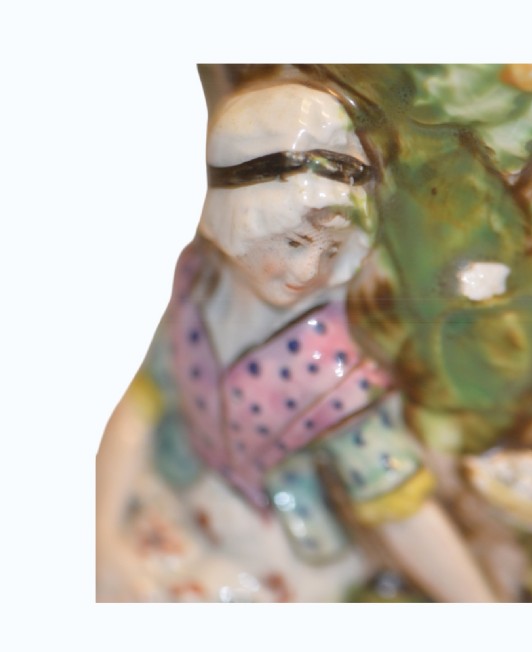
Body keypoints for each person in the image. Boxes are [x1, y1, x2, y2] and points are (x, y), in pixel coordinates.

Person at [97, 79, 495, 602]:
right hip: (180, 501)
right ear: (238, 217)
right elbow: (145, 403)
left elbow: (400, 508)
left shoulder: (328, 367)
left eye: (330, 249)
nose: (309, 271)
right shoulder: (200, 283)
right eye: (294, 241)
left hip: (280, 553)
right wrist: (99, 534)